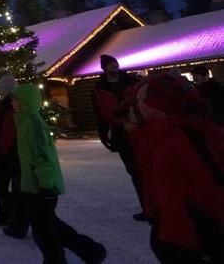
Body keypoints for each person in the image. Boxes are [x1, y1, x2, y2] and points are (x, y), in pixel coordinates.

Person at [127, 70, 224, 263]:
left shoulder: (179, 136)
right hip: (173, 221)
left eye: (142, 100)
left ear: (159, 104)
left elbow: (207, 184)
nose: (138, 106)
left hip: (192, 229)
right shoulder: (157, 134)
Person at [12, 83, 107, 264]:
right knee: (51, 225)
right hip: (33, 186)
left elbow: (42, 156)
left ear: (26, 102)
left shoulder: (33, 124)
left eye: (16, 100)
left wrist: (45, 185)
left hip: (40, 187)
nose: (13, 104)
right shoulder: (24, 122)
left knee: (45, 233)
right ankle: (90, 250)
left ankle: (58, 260)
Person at [92, 54, 144, 221]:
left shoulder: (131, 81)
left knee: (146, 168)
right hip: (119, 132)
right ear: (105, 68)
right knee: (134, 171)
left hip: (138, 129)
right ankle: (147, 206)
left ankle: (158, 205)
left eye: (115, 63)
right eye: (110, 64)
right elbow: (99, 112)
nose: (114, 66)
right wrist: (103, 134)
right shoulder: (99, 88)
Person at [0, 75, 29, 238]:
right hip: (9, 151)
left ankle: (17, 219)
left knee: (3, 186)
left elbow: (7, 132)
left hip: (9, 152)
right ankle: (7, 215)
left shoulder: (10, 105)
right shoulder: (5, 105)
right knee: (4, 185)